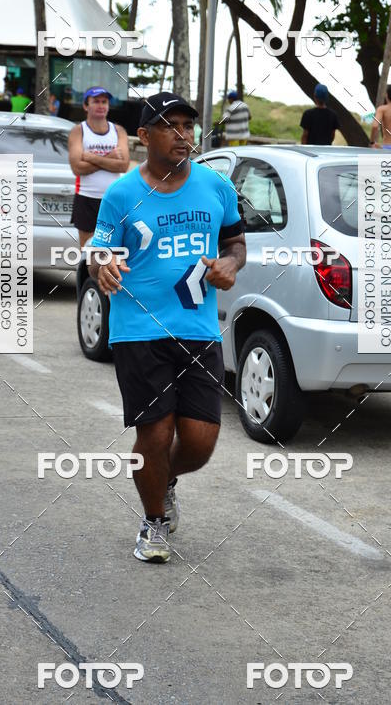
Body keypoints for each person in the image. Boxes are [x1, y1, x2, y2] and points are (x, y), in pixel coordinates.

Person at [89, 91, 246, 564]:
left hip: (199, 329)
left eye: (188, 126)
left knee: (199, 443)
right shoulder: (120, 194)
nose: (183, 135)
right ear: (144, 136)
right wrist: (103, 267)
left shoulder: (217, 186)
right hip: (139, 330)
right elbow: (99, 250)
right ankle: (153, 520)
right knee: (154, 436)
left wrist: (231, 266)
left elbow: (236, 243)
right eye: (170, 126)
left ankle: (163, 479)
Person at [68, 86, 130, 249]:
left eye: (104, 102)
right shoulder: (78, 131)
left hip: (113, 199)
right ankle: (87, 275)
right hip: (86, 197)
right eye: (96, 101)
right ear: (86, 106)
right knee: (88, 250)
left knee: (113, 248)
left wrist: (92, 158)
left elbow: (123, 166)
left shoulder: (118, 131)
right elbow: (77, 168)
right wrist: (110, 158)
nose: (101, 105)